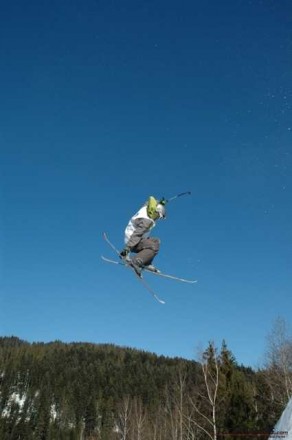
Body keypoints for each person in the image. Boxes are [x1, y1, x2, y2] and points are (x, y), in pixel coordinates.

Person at [119, 196, 167, 276]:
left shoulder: (146, 209)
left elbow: (150, 202)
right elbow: (137, 234)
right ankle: (136, 261)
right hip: (133, 241)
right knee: (153, 246)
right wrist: (127, 249)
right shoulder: (147, 221)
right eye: (159, 216)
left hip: (133, 239)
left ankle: (146, 262)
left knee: (156, 241)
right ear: (156, 212)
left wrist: (160, 203)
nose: (158, 218)